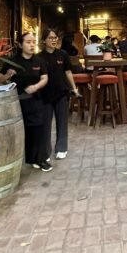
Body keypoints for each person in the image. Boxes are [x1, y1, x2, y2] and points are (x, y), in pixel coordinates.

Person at [0, 32, 51, 171]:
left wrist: (36, 87)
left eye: (33, 42)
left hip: (36, 100)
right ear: (20, 45)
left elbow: (44, 78)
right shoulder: (12, 61)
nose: (32, 45)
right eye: (28, 42)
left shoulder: (39, 61)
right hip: (17, 102)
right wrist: (8, 75)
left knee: (38, 129)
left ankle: (40, 159)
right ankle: (21, 160)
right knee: (21, 130)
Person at [37, 28, 79, 161]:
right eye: (50, 38)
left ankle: (61, 148)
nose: (53, 40)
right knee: (45, 124)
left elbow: (68, 72)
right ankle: (45, 151)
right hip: (45, 94)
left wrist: (74, 88)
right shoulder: (38, 57)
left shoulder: (63, 54)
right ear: (44, 40)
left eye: (55, 38)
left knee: (62, 122)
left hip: (62, 92)